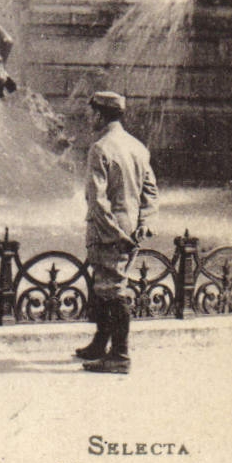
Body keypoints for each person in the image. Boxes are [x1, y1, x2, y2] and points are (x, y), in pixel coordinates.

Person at [77, 91, 158, 375]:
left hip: (108, 230)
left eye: (91, 113)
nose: (89, 118)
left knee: (112, 290)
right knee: (105, 284)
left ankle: (120, 356)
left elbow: (97, 201)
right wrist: (143, 224)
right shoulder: (138, 147)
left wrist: (113, 234)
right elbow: (151, 193)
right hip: (130, 227)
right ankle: (100, 344)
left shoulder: (100, 148)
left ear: (99, 115)